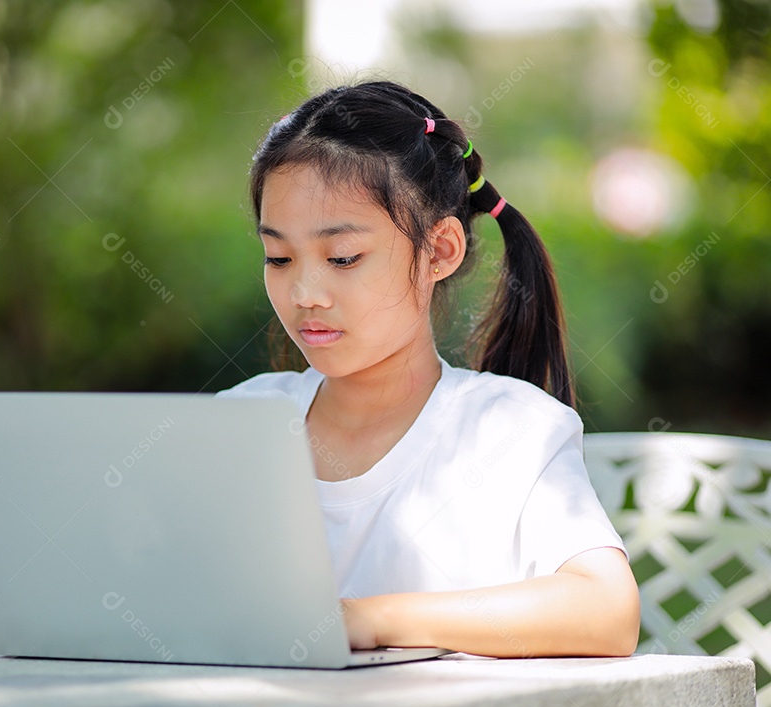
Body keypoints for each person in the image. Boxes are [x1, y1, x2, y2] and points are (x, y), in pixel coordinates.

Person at [213, 80, 640, 658]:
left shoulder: (506, 429)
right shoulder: (244, 421)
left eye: (343, 258)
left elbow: (606, 612)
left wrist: (368, 620)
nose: (305, 291)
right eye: (279, 257)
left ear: (439, 251)